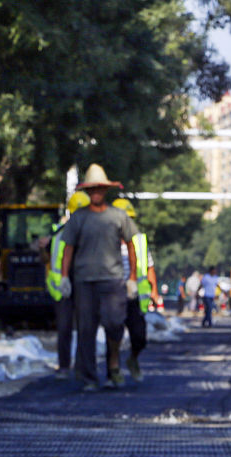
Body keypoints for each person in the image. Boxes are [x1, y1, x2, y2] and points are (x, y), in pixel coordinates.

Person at [60, 164, 136, 391]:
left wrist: (132, 277)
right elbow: (68, 248)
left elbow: (131, 245)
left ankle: (113, 364)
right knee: (86, 330)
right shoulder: (79, 218)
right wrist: (64, 277)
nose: (96, 193)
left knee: (114, 323)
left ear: (105, 190)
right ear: (87, 191)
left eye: (99, 189)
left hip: (112, 280)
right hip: (84, 281)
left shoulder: (118, 216)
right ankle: (89, 377)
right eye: (92, 189)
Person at [44, 190, 90, 378]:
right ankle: (64, 365)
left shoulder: (92, 235)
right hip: (64, 289)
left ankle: (83, 365)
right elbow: (48, 258)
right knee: (64, 328)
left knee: (85, 328)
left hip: (84, 286)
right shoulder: (59, 234)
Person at [112, 198, 157, 382]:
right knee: (113, 333)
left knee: (139, 336)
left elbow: (149, 267)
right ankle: (113, 370)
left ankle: (133, 358)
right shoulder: (107, 239)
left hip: (133, 295)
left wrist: (154, 292)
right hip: (113, 294)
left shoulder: (139, 241)